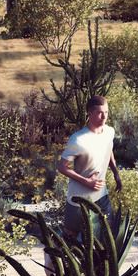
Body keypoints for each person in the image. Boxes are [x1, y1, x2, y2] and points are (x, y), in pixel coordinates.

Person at [56, 93, 119, 227]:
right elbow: (62, 167)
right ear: (89, 113)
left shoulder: (109, 132)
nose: (104, 116)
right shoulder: (78, 139)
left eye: (106, 112)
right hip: (78, 199)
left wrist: (116, 174)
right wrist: (86, 182)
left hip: (101, 194)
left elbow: (109, 150)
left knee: (108, 234)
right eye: (99, 113)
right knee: (71, 238)